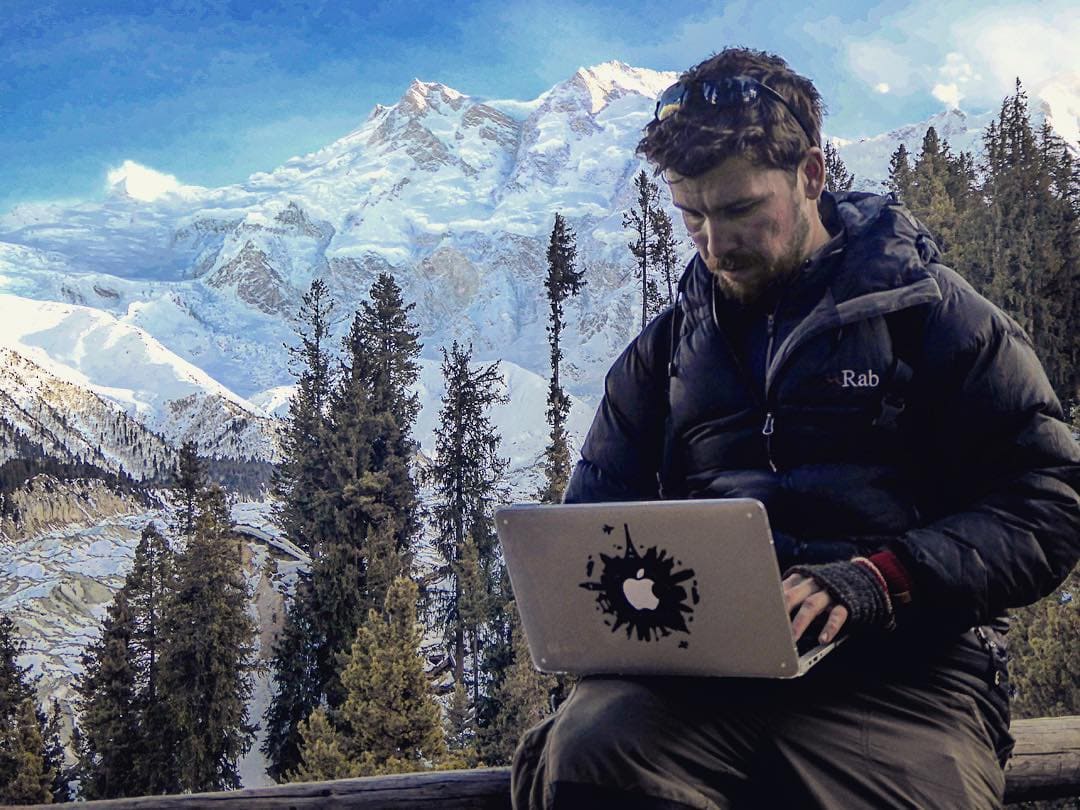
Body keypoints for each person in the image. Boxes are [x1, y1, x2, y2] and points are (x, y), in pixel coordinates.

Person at [511, 47, 1080, 809]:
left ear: (810, 174)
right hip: (698, 678)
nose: (714, 244)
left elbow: (1049, 501)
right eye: (692, 216)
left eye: (741, 209)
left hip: (908, 675)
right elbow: (589, 524)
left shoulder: (935, 318)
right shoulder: (663, 355)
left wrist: (885, 577)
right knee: (588, 752)